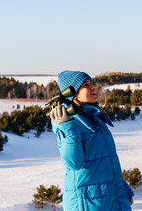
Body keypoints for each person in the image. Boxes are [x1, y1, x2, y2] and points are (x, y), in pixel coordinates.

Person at [50, 70, 134, 211]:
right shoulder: (68, 123)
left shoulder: (95, 118)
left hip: (109, 198)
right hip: (88, 203)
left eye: (92, 83)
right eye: (85, 85)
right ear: (72, 93)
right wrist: (66, 126)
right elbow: (73, 163)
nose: (93, 87)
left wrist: (122, 188)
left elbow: (105, 162)